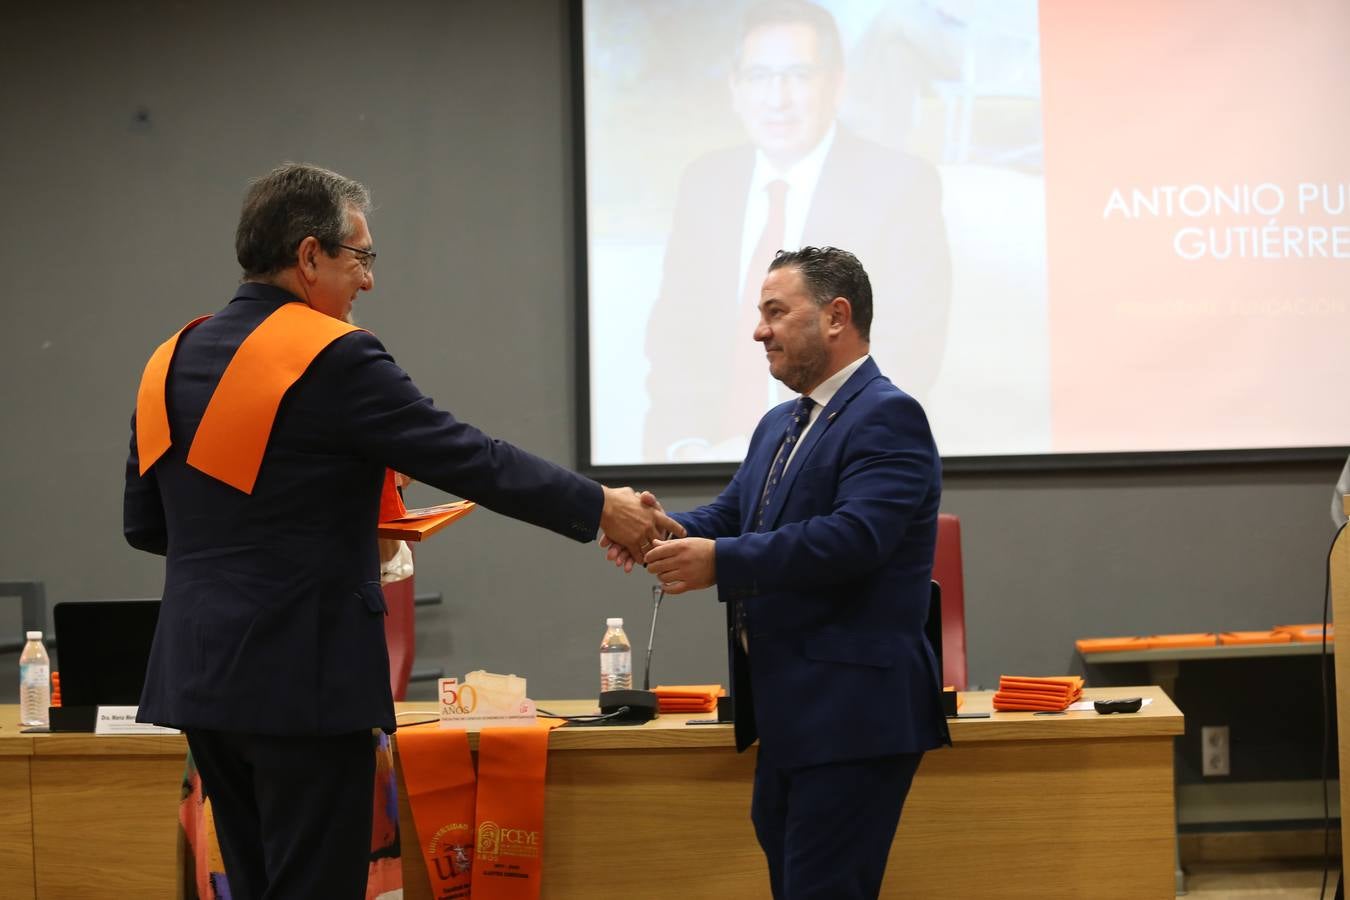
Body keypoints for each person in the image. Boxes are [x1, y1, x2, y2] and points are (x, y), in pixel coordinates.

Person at [123, 162, 681, 900]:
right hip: (305, 678)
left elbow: (148, 526)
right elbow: (471, 457)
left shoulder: (169, 359)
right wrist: (601, 506)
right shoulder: (333, 356)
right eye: (361, 256)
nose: (369, 281)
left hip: (201, 679)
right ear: (310, 255)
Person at [621, 246, 949, 898]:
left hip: (854, 714)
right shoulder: (781, 422)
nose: (758, 330)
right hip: (790, 712)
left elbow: (856, 539)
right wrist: (651, 529)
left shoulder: (888, 415)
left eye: (775, 311)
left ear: (836, 317)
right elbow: (734, 513)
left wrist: (720, 561)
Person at [643, 0, 951, 463]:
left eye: (799, 75)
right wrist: (687, 445)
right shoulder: (705, 182)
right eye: (759, 76)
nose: (777, 97)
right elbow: (676, 329)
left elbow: (911, 345)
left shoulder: (900, 184)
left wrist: (804, 453)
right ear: (735, 88)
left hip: (833, 465)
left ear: (836, 83)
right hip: (699, 461)